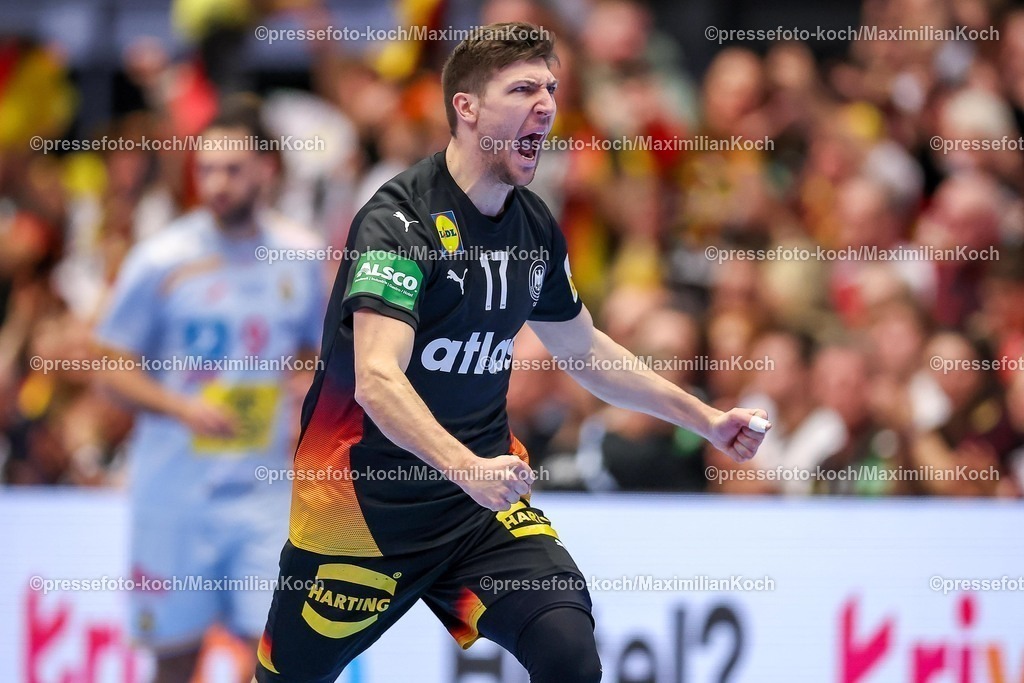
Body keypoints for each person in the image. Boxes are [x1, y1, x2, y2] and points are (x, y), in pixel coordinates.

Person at [254, 23, 769, 683]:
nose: (547, 105)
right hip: (361, 515)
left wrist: (707, 419)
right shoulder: (397, 223)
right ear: (466, 107)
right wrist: (466, 466)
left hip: (477, 512)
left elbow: (585, 352)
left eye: (550, 88)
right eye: (524, 89)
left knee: (568, 651)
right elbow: (376, 380)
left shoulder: (533, 226)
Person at [93, 96, 325, 682]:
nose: (217, 184)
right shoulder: (161, 259)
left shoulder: (300, 256)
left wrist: (306, 393)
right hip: (175, 492)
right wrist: (180, 407)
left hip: (264, 492)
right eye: (206, 169)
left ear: (267, 169)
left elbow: (322, 352)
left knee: (274, 658)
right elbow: (107, 366)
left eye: (233, 169)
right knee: (173, 662)